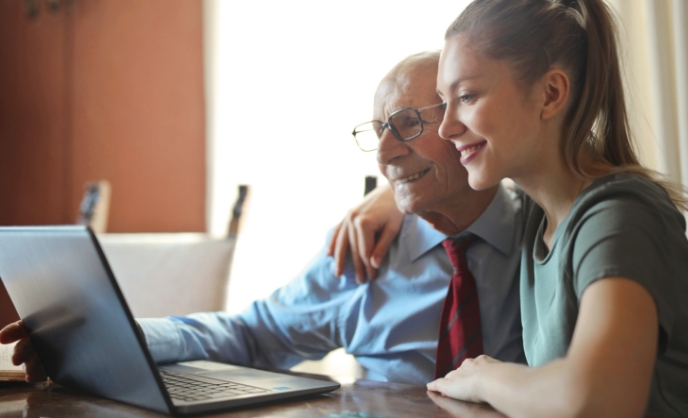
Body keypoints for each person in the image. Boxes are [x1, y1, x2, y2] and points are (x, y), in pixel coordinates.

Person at [0, 51, 525, 387]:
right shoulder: (363, 250)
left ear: (468, 122)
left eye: (408, 124)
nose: (383, 153)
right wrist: (120, 336)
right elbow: (253, 335)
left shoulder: (550, 231)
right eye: (378, 130)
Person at [333, 0, 688, 416]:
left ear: (550, 94)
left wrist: (483, 376)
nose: (447, 127)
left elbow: (598, 400)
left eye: (466, 96)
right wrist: (397, 196)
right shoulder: (541, 216)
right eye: (444, 103)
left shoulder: (620, 217)